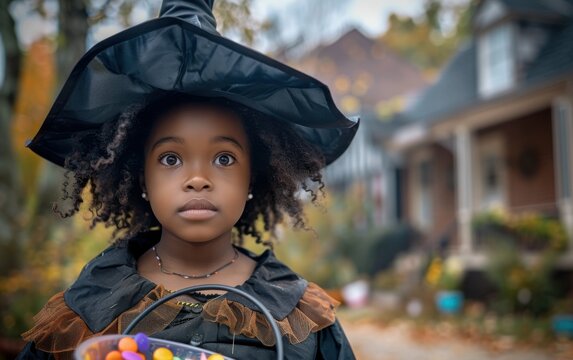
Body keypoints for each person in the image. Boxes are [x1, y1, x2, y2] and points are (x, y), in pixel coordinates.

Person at [17, 1, 359, 359]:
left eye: (224, 158)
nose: (197, 179)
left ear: (251, 179)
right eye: (171, 159)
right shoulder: (85, 309)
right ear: (142, 180)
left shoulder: (301, 316)